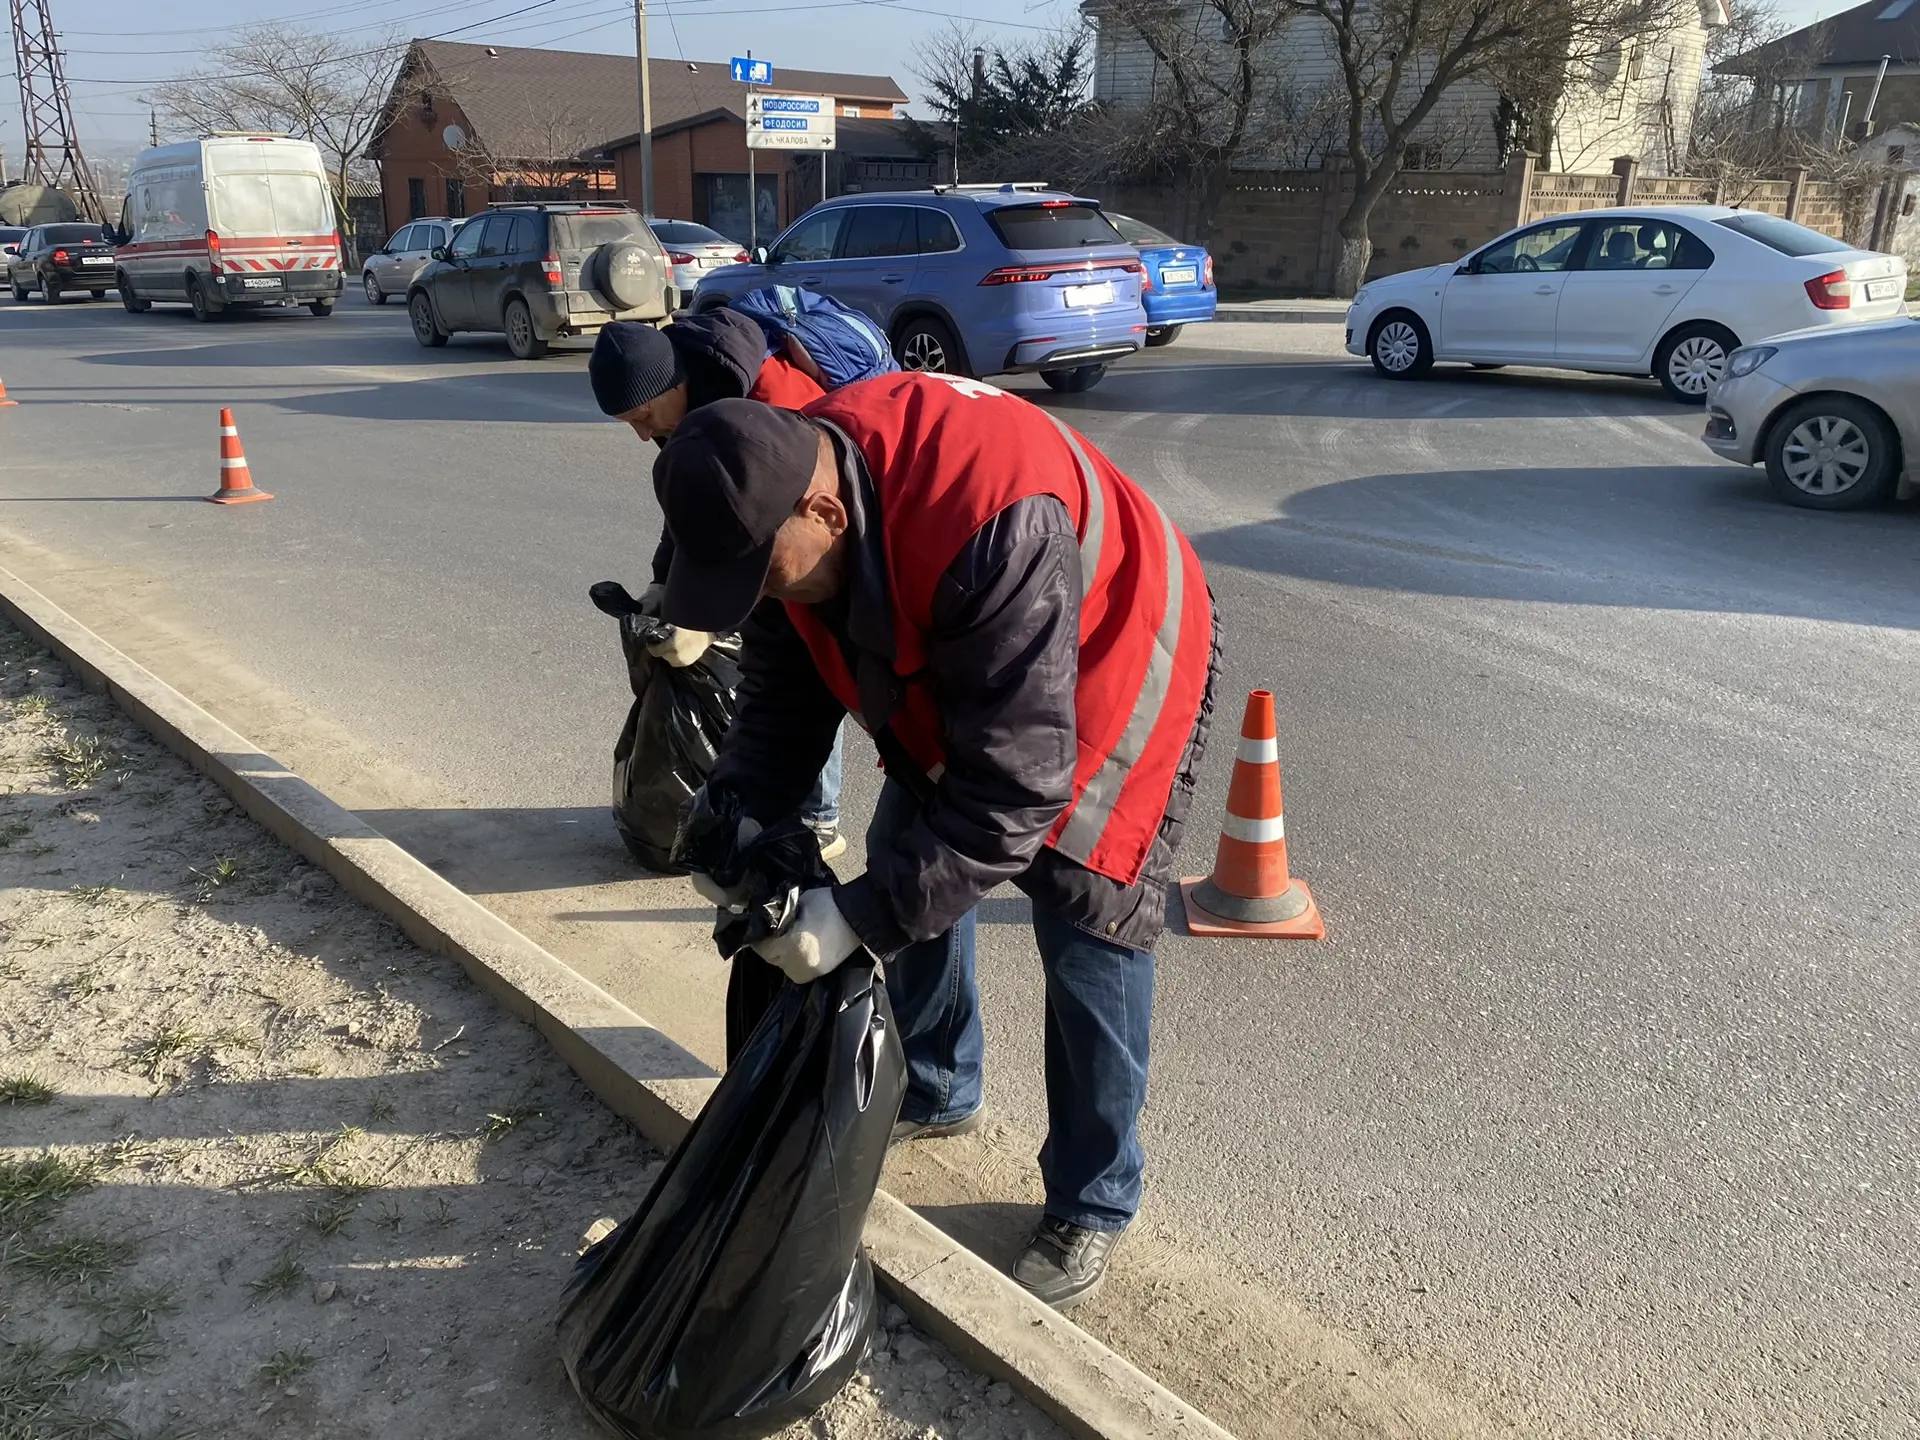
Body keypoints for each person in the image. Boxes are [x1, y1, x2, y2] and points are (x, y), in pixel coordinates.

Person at [655, 372, 1220, 1309]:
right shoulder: (775, 501)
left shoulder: (988, 523)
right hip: (987, 646)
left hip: (1120, 641)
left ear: (827, 512)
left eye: (764, 577)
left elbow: (1015, 792)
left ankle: (1094, 1195)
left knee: (1088, 920)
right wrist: (741, 812)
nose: (760, 594)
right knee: (910, 850)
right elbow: (783, 699)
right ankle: (941, 1085)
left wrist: (861, 917)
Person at [590, 317, 846, 858]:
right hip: (775, 531)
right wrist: (664, 584)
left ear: (674, 384)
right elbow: (694, 508)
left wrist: (709, 625)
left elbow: (770, 536)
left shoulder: (767, 407)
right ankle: (767, 802)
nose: (643, 435)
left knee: (808, 654)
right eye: (628, 424)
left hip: (817, 534)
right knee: (773, 664)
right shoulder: (678, 411)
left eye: (643, 418)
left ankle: (818, 818)